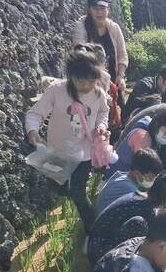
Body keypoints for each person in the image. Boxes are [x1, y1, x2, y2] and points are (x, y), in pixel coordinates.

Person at [25, 48, 109, 232]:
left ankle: (93, 230)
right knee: (58, 186)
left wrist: (102, 126)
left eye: (92, 81)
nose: (87, 86)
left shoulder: (98, 94)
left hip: (84, 152)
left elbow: (103, 111)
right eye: (81, 81)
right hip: (58, 150)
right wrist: (33, 130)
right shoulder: (57, 90)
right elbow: (35, 113)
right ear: (71, 76)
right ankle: (64, 191)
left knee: (78, 193)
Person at [86, 169, 166, 266]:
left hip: (97, 244)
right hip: (99, 253)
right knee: (141, 229)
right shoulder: (146, 208)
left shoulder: (142, 198)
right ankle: (118, 270)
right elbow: (149, 245)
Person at [73, 0, 128, 96]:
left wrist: (120, 76)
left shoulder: (114, 28)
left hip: (113, 82)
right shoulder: (81, 26)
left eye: (103, 8)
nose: (99, 12)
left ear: (108, 10)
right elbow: (80, 53)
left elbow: (122, 54)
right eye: (95, 9)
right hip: (90, 83)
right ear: (89, 10)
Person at [95, 148, 164, 217]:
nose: (153, 180)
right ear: (137, 173)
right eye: (151, 177)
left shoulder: (123, 177)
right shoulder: (129, 189)